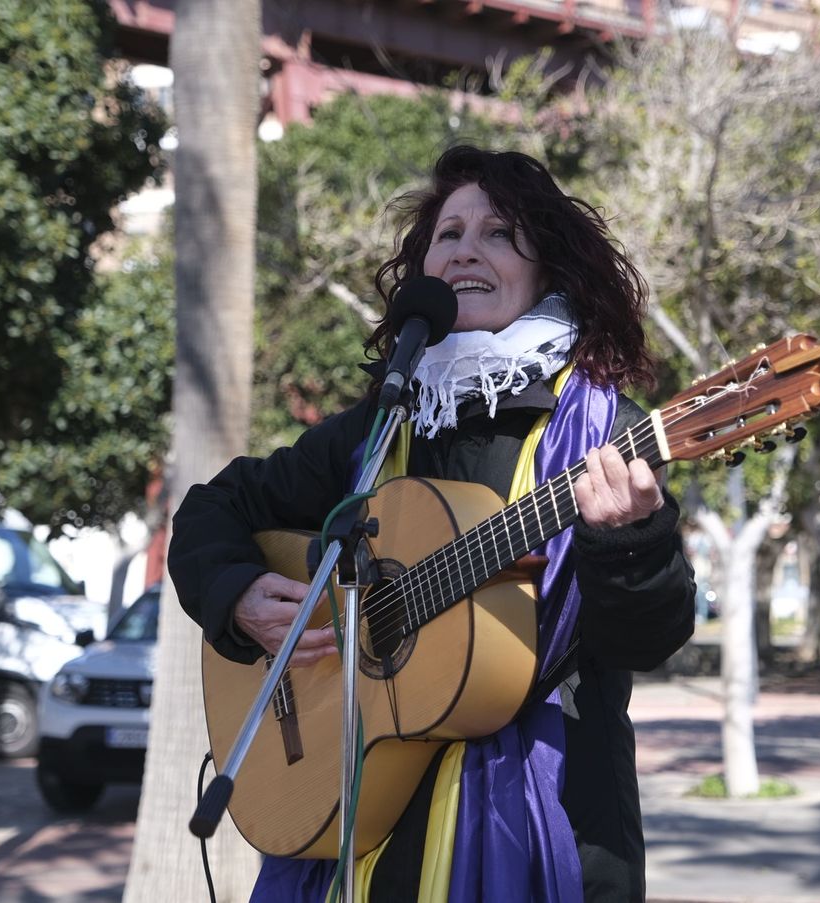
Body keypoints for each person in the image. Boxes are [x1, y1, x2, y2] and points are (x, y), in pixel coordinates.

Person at [169, 145, 695, 902]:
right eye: (449, 234)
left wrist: (631, 540)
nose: (466, 251)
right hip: (359, 810)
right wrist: (238, 592)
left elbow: (648, 637)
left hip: (550, 818)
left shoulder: (603, 435)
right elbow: (214, 507)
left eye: (500, 233)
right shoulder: (381, 425)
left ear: (547, 268)